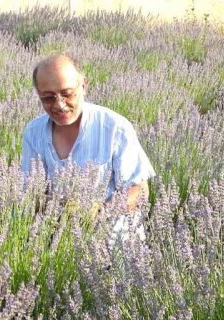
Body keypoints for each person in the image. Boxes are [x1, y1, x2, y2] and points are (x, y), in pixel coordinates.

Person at [20, 54, 155, 215]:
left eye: (67, 94)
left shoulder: (115, 128)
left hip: (114, 236)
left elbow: (139, 190)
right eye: (48, 98)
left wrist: (98, 213)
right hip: (58, 234)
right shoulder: (33, 133)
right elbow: (30, 190)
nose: (59, 105)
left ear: (83, 85)